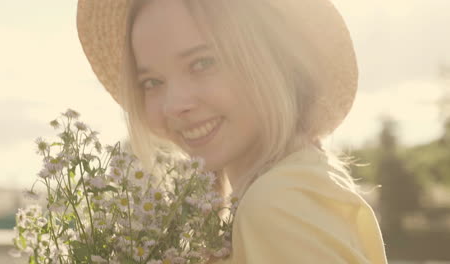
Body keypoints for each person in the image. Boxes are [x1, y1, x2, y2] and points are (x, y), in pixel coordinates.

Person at [77, 0, 388, 263]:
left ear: (274, 59)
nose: (174, 105)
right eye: (152, 82)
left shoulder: (276, 205)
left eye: (202, 63)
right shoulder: (298, 186)